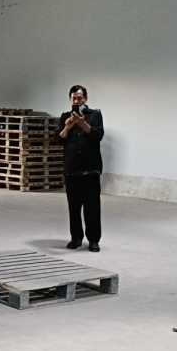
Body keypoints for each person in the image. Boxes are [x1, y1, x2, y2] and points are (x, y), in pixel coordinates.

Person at [58, 84, 104, 252]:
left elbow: (97, 135)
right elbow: (59, 139)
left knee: (92, 207)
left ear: (86, 98)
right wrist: (68, 125)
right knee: (74, 207)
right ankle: (76, 238)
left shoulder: (95, 114)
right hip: (72, 169)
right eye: (74, 98)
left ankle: (93, 240)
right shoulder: (65, 116)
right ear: (70, 99)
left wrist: (82, 123)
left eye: (80, 97)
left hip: (90, 168)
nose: (77, 101)